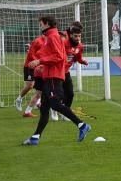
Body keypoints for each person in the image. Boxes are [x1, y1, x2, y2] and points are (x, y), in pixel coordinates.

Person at [22, 16, 92, 146]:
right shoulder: (51, 36)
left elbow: (59, 57)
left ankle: (82, 125)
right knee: (44, 109)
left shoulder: (53, 36)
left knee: (55, 105)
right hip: (48, 76)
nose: (40, 26)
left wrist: (40, 61)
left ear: (47, 24)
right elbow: (53, 54)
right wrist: (40, 61)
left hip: (54, 76)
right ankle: (35, 137)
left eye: (41, 24)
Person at [62, 22, 88, 109]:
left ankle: (66, 113)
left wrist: (83, 61)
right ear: (71, 35)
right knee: (58, 94)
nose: (78, 38)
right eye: (76, 36)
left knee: (70, 94)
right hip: (56, 72)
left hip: (66, 72)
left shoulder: (80, 46)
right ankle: (53, 108)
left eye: (79, 36)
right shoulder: (64, 43)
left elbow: (78, 58)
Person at [17, 35, 44, 116]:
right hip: (30, 66)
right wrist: (37, 62)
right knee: (30, 85)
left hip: (40, 66)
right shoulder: (37, 41)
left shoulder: (50, 41)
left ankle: (38, 103)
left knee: (41, 86)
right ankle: (19, 99)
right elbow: (30, 54)